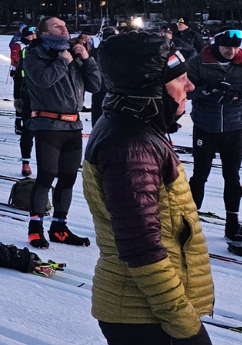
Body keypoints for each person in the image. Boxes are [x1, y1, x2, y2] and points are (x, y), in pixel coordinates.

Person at [83, 31, 213, 345]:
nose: (190, 86)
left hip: (145, 311)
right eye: (180, 79)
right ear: (151, 90)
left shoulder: (132, 127)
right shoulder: (131, 145)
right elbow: (142, 248)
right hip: (145, 316)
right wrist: (185, 325)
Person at [24, 16, 101, 248]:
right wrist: (62, 62)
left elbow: (96, 85)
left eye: (64, 25)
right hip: (48, 124)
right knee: (46, 176)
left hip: (73, 125)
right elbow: (43, 81)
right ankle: (35, 228)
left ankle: (59, 227)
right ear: (45, 32)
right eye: (57, 26)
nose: (63, 28)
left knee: (68, 178)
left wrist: (86, 59)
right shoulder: (35, 54)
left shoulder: (73, 54)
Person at [186, 29, 242, 243]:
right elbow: (184, 89)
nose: (231, 52)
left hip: (233, 127)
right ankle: (190, 222)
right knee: (200, 175)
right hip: (205, 126)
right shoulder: (199, 62)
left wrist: (240, 94)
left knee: (232, 176)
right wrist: (207, 90)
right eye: (226, 47)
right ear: (216, 45)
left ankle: (232, 222)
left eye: (235, 47)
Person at [13, 26, 37, 176]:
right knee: (28, 130)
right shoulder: (24, 50)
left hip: (44, 97)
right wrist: (17, 96)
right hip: (27, 94)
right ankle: (26, 162)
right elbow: (18, 74)